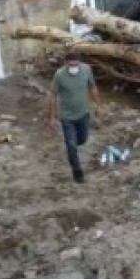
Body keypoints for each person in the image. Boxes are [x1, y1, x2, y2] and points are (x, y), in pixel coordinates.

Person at [47, 53, 102, 183]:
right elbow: (53, 95)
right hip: (67, 117)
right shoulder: (59, 75)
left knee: (82, 139)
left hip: (83, 114)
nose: (73, 67)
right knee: (71, 146)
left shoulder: (86, 70)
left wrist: (98, 105)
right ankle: (77, 172)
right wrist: (52, 117)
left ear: (80, 63)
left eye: (76, 65)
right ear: (65, 64)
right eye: (70, 65)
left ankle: (72, 147)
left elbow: (93, 87)